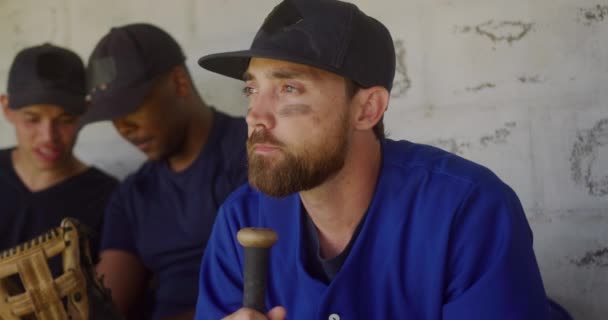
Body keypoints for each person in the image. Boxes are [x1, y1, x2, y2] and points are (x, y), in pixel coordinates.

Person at [194, 0, 572, 319]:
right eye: (251, 89)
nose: (255, 116)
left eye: (288, 88)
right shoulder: (241, 219)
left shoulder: (466, 210)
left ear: (368, 109)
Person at [82, 23, 248, 320]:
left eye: (130, 107)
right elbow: (105, 306)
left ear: (178, 82)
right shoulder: (132, 194)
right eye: (112, 117)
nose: (123, 128)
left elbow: (271, 286)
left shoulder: (253, 154)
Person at [0, 43, 118, 269]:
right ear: (6, 108)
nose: (48, 136)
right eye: (32, 119)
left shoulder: (108, 198)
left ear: (85, 112)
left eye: (65, 120)